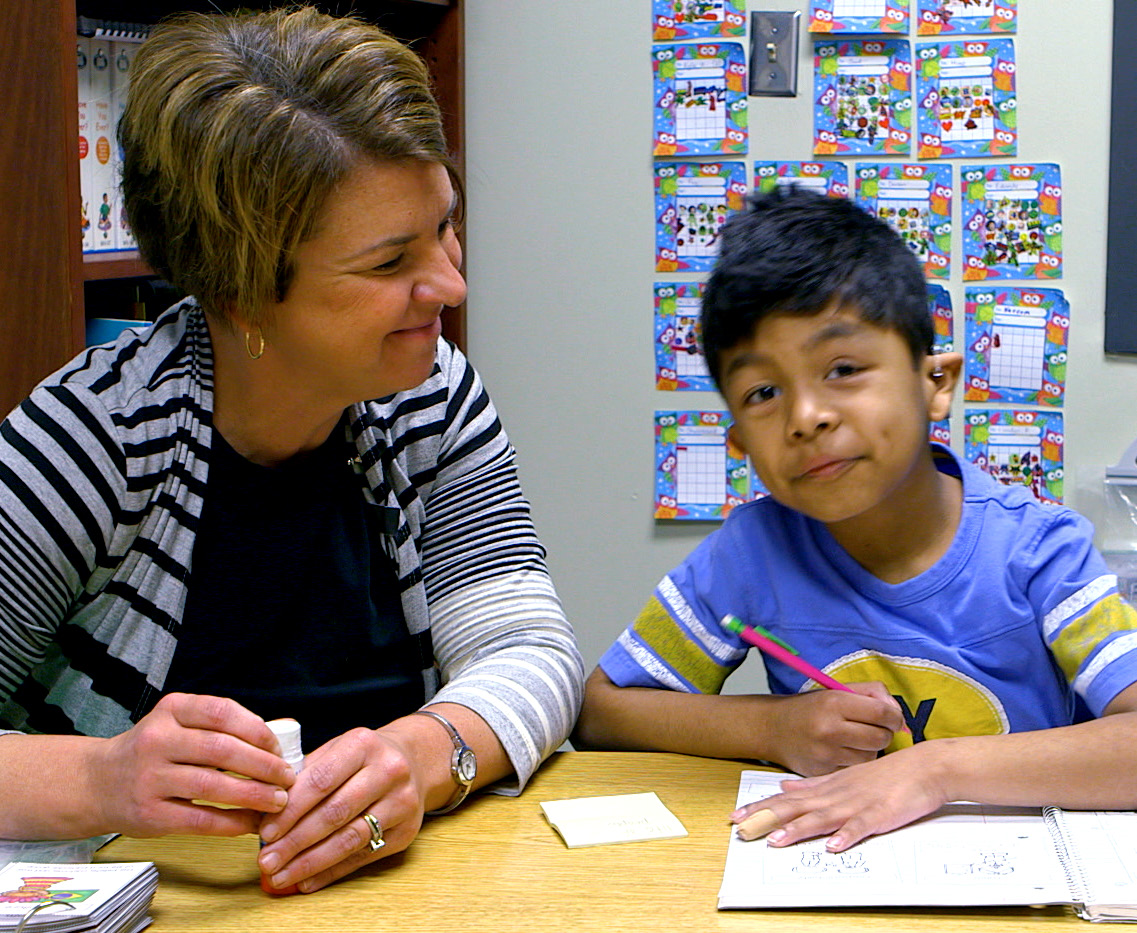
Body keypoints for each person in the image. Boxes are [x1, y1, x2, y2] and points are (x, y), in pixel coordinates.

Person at [0, 7, 582, 893]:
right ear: (240, 294)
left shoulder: (430, 395)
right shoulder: (91, 440)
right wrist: (101, 778)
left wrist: (422, 754)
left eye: (445, 226)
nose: (450, 283)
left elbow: (532, 650)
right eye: (390, 264)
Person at [574, 185, 1137, 853]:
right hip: (831, 879)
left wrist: (934, 768)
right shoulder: (753, 552)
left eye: (842, 368)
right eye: (762, 392)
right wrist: (772, 726)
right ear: (740, 445)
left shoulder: (1037, 549)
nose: (805, 415)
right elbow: (602, 711)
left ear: (936, 382)